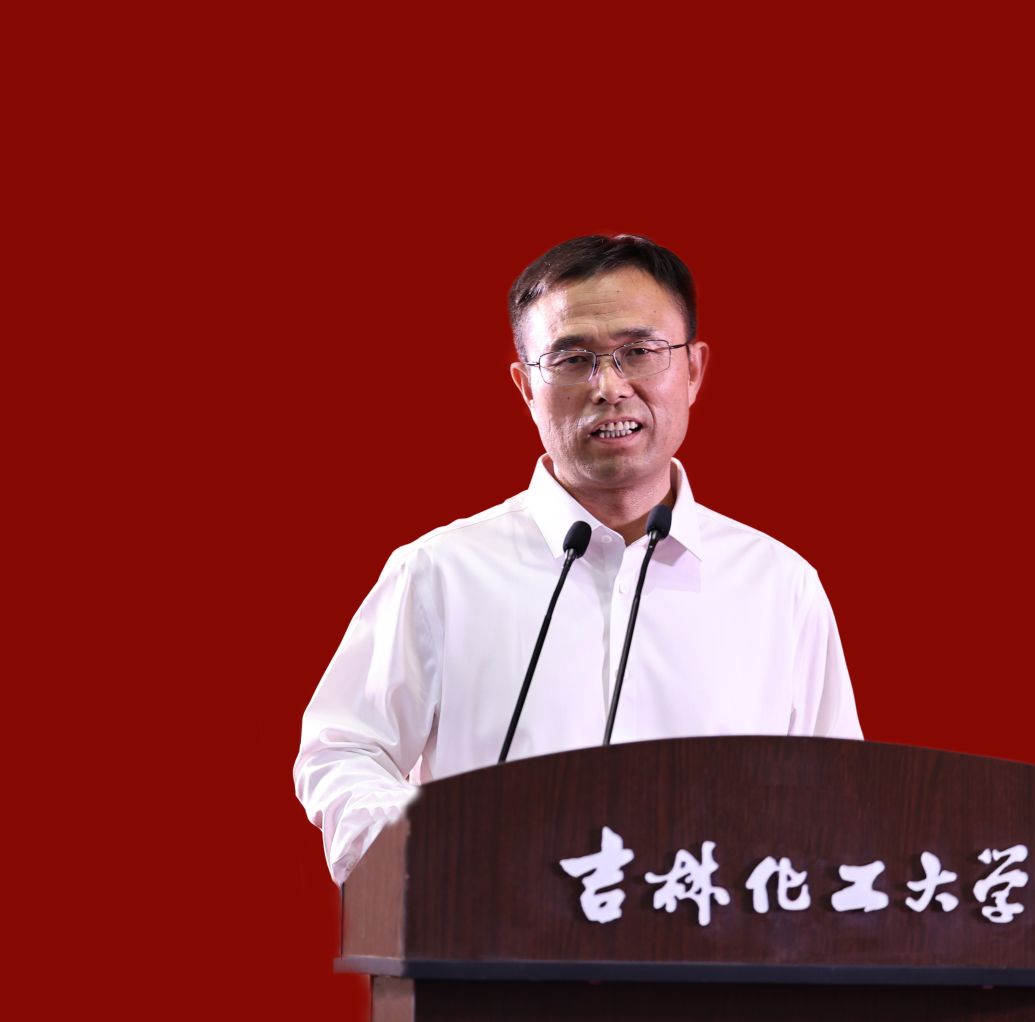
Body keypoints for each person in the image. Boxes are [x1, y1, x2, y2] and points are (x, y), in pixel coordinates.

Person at [293, 234, 861, 883]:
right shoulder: (440, 574)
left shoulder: (779, 586)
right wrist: (437, 847)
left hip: (717, 941)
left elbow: (838, 803)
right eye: (572, 359)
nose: (610, 387)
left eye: (638, 352)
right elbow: (342, 751)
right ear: (525, 386)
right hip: (495, 938)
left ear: (693, 370)